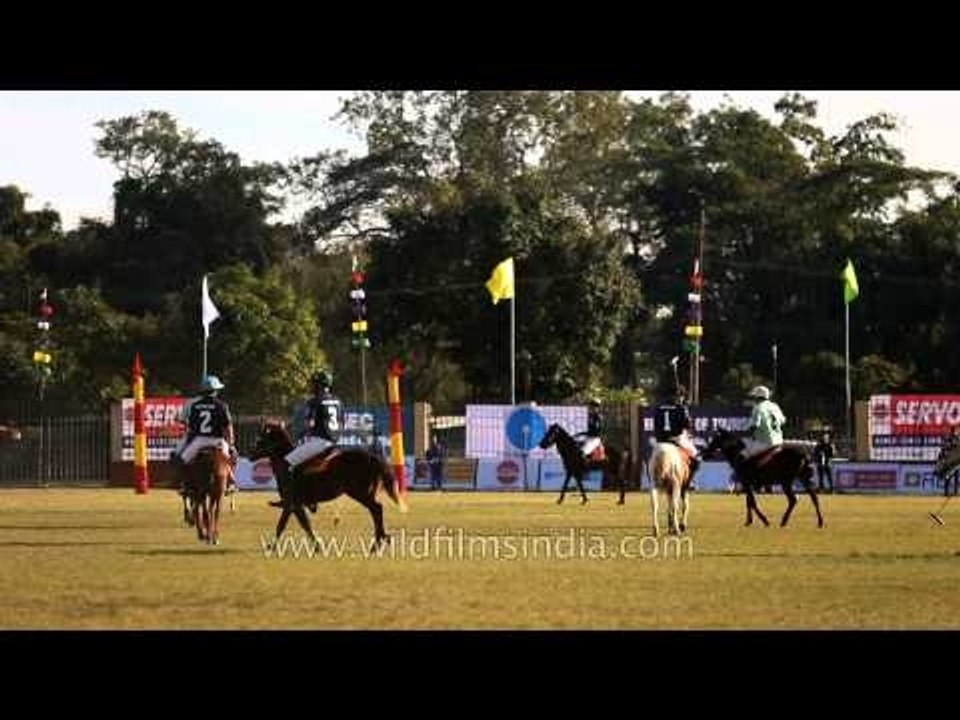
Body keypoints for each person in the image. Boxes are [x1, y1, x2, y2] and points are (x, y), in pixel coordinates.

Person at [270, 369, 344, 508]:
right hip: (335, 442)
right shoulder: (338, 400)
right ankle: (310, 497)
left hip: (319, 442)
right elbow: (342, 422)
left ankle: (290, 497)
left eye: (314, 384)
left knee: (286, 464)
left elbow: (308, 423)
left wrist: (290, 428)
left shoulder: (315, 401)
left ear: (319, 385)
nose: (312, 387)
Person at [171, 375, 236, 495]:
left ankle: (183, 484)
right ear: (215, 391)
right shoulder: (222, 405)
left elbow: (191, 426)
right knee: (229, 458)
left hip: (199, 441)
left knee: (183, 460)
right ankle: (231, 482)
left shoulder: (195, 406)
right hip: (218, 441)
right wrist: (231, 443)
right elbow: (227, 426)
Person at [652, 385, 700, 482]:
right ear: (679, 396)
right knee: (696, 456)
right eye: (682, 396)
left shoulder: (659, 407)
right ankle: (688, 482)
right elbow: (688, 425)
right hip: (676, 439)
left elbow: (656, 424)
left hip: (661, 440)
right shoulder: (681, 408)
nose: (683, 398)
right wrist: (684, 409)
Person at [744, 385, 786, 460]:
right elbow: (783, 421)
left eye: (754, 396)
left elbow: (755, 426)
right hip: (779, 441)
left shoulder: (758, 408)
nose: (753, 399)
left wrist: (745, 435)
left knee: (744, 456)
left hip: (764, 442)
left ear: (758, 397)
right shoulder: (775, 406)